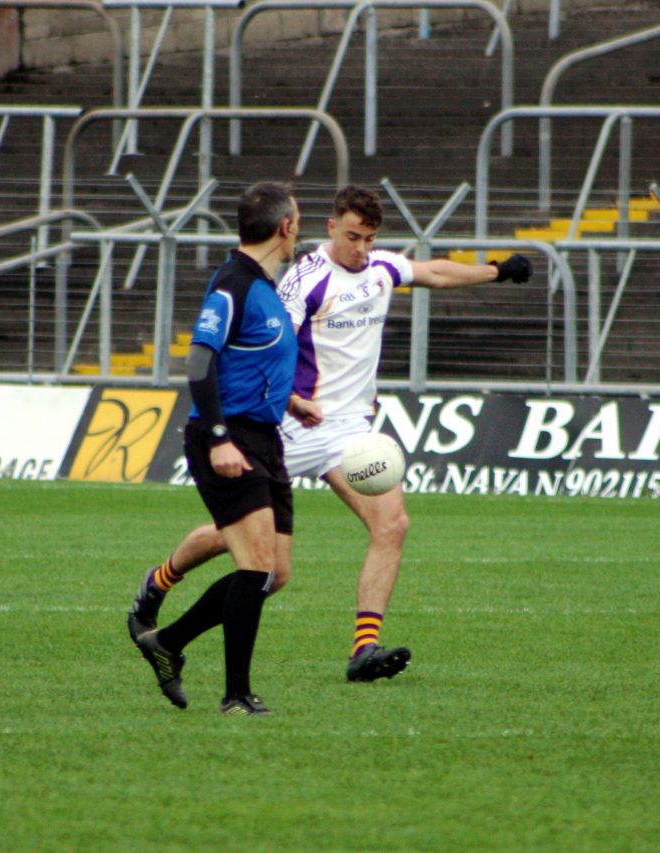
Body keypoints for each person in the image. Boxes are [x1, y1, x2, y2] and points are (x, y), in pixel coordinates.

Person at [128, 184, 532, 683]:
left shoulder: (381, 268)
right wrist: (292, 400)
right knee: (248, 551)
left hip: (350, 434)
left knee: (393, 525)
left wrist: (497, 270)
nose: (362, 248)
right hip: (294, 424)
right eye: (354, 237)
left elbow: (434, 273)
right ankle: (160, 581)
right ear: (332, 227)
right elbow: (272, 344)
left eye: (370, 239)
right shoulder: (305, 280)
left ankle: (364, 649)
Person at [132, 181, 323, 716]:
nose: (298, 230)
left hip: (263, 435)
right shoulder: (233, 283)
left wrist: (289, 401)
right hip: (227, 436)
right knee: (257, 566)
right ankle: (236, 694)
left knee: (275, 573)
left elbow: (247, 363)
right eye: (298, 221)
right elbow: (199, 363)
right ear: (285, 227)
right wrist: (218, 438)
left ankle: (167, 642)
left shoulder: (262, 284)